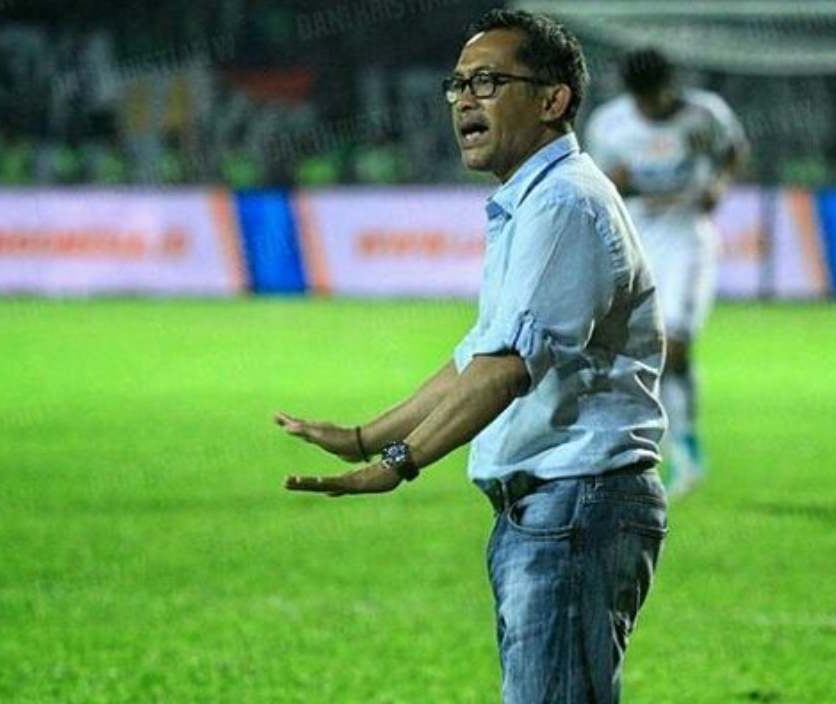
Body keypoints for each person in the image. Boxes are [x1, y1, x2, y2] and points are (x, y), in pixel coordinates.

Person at [275, 9, 668, 704]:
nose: (463, 100)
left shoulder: (564, 204)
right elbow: (477, 358)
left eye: (487, 82)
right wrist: (365, 436)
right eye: (457, 84)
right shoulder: (534, 201)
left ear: (552, 100)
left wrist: (396, 464)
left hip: (575, 504)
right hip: (552, 508)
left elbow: (504, 370)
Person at [586, 48, 749, 497]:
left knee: (674, 345)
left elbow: (734, 150)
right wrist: (615, 184)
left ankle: (687, 445)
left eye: (655, 96)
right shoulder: (610, 124)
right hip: (635, 233)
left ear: (669, 87)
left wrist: (719, 184)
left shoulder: (704, 114)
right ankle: (631, 451)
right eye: (641, 98)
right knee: (626, 349)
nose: (649, 106)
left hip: (686, 233)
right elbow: (599, 185)